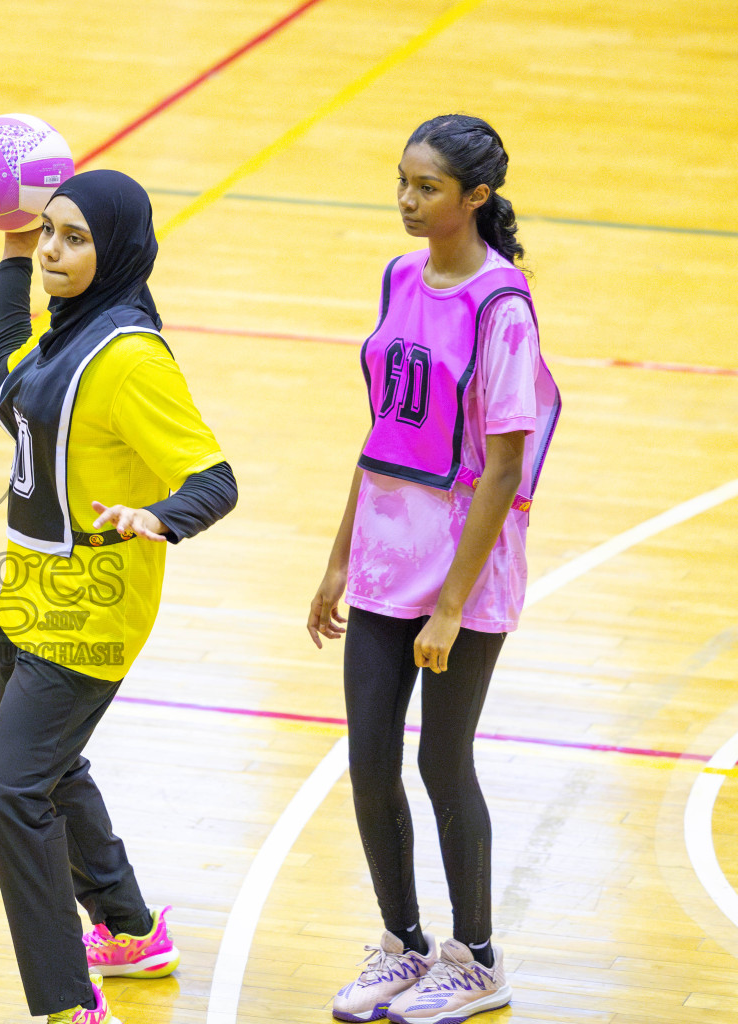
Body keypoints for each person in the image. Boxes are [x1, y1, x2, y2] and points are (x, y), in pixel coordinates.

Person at [306, 115, 560, 1024]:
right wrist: (339, 558)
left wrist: (450, 609)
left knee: (442, 764)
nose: (408, 202)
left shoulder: (502, 306)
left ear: (476, 197)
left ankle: (477, 957)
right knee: (371, 760)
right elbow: (382, 431)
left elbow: (500, 468)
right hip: (384, 554)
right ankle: (403, 945)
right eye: (402, 183)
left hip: (463, 572)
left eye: (427, 188)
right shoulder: (397, 277)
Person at [0, 169, 238, 1024]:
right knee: (50, 773)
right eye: (50, 231)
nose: (56, 248)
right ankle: (130, 932)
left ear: (117, 250)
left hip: (90, 613)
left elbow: (215, 479)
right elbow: (4, 387)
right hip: (24, 600)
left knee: (12, 790)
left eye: (74, 237)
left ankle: (64, 1005)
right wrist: (12, 255)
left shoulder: (129, 357)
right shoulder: (62, 338)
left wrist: (157, 517)